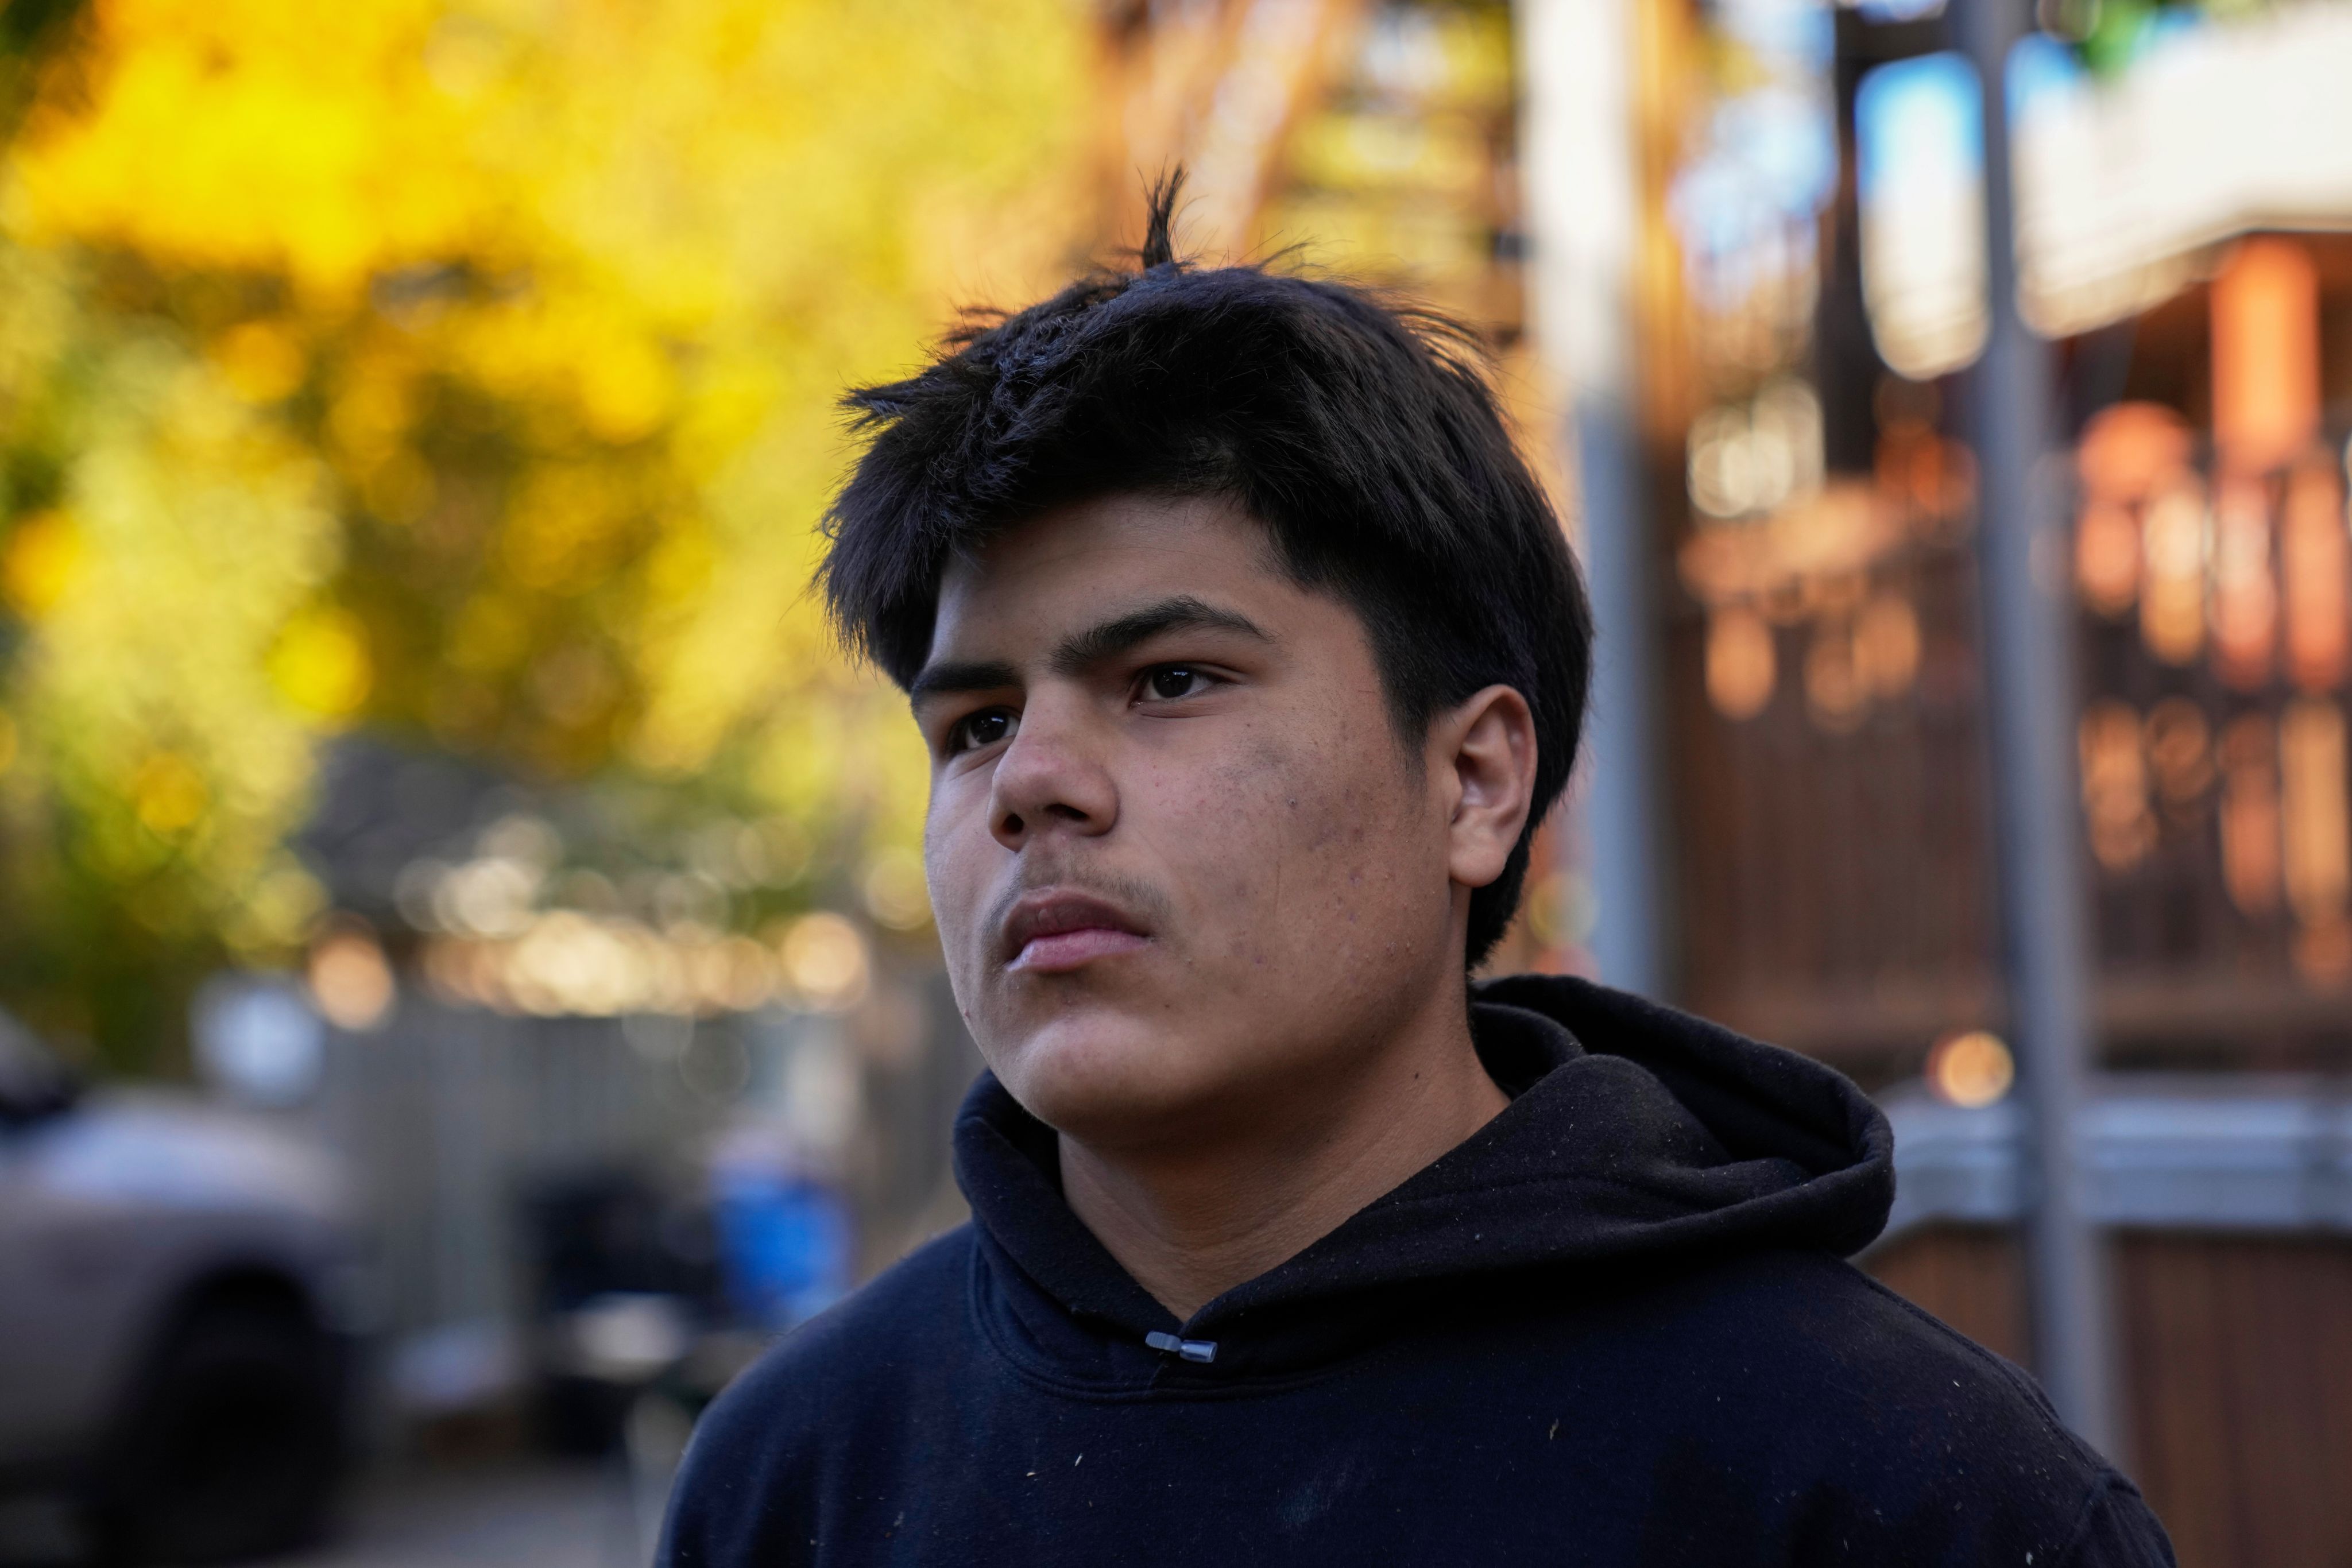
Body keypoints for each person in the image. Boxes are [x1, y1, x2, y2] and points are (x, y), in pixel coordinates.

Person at [660, 180, 2175, 1566]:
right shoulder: (797, 1480)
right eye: (976, 723)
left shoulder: (1897, 1495)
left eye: (1171, 680)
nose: (1032, 782)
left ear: (1476, 781)